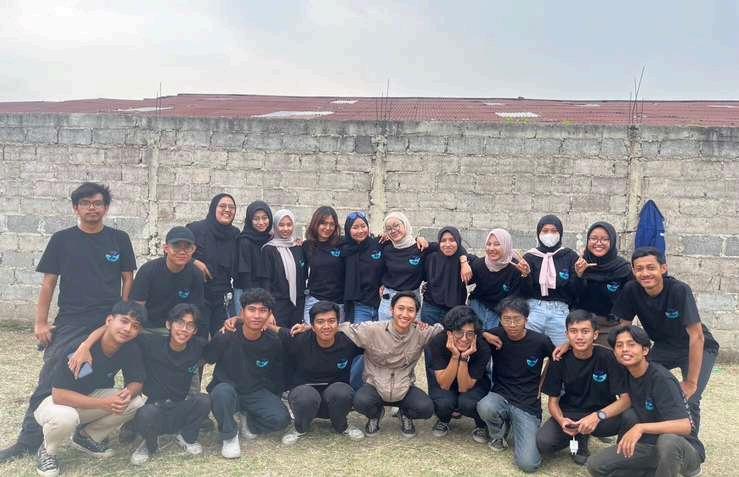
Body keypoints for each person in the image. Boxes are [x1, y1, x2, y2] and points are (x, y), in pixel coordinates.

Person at [0, 182, 137, 462]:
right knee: (53, 374)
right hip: (71, 320)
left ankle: (88, 433)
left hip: (107, 318)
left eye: (97, 203)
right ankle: (28, 441)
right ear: (76, 208)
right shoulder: (62, 240)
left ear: (106, 208)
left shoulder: (119, 239)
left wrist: (122, 315)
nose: (92, 208)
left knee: (102, 373)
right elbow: (49, 283)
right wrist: (40, 323)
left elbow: (128, 278)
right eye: (85, 203)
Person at [67, 303, 210, 465]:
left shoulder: (198, 346)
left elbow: (218, 345)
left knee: (204, 400)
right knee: (146, 412)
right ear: (168, 324)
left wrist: (232, 323)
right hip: (152, 408)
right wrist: (86, 344)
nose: (184, 329)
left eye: (190, 326)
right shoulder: (150, 342)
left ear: (195, 330)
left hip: (179, 405)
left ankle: (186, 437)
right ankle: (149, 444)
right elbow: (114, 329)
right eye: (179, 323)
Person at [610, 247, 719, 432]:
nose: (645, 273)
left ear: (663, 268)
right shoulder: (631, 290)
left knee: (690, 397)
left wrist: (691, 383)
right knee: (642, 384)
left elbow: (697, 336)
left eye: (651, 267)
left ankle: (690, 444)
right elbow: (623, 329)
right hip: (663, 346)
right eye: (639, 269)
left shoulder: (679, 290)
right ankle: (648, 432)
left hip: (697, 346)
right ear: (634, 271)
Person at [33, 301, 147, 477]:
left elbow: (136, 381)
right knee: (66, 418)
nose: (127, 329)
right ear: (109, 320)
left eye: (135, 326)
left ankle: (86, 437)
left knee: (136, 402)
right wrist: (104, 403)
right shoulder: (78, 349)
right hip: (54, 404)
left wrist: (128, 393)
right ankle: (48, 451)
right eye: (124, 321)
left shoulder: (130, 348)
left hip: (87, 399)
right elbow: (59, 395)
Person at [586, 325, 704, 477]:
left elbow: (685, 426)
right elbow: (592, 348)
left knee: (668, 441)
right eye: (619, 345)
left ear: (645, 350)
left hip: (683, 448)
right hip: (651, 447)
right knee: (596, 465)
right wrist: (567, 345)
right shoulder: (626, 371)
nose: (625, 349)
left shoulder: (661, 379)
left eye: (631, 344)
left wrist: (640, 428)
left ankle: (685, 470)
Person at [339, 291, 442, 437]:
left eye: (410, 310)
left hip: (404, 388)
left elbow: (444, 330)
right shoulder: (373, 330)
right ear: (391, 310)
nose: (405, 314)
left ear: (416, 314)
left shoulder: (421, 332)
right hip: (375, 386)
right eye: (400, 308)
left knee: (426, 408)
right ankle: (375, 414)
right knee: (360, 401)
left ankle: (405, 414)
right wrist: (312, 328)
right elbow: (344, 329)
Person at [204, 288, 290, 459]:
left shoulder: (273, 341)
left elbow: (276, 376)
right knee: (221, 393)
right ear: (242, 312)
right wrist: (222, 330)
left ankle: (248, 421)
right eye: (251, 310)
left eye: (262, 310)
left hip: (254, 392)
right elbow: (209, 357)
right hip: (228, 390)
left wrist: (271, 401)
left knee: (281, 419)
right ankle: (229, 436)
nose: (257, 315)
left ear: (269, 314)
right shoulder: (227, 334)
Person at [536, 310, 631, 466]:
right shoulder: (559, 359)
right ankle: (580, 437)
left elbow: (625, 400)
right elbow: (552, 402)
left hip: (602, 414)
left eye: (585, 331)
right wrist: (561, 421)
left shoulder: (608, 357)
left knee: (631, 417)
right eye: (573, 331)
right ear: (567, 334)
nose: (579, 337)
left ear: (595, 334)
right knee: (543, 443)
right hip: (570, 413)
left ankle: (622, 457)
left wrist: (597, 416)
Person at [477, 296, 555, 473]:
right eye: (507, 319)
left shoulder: (540, 341)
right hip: (500, 394)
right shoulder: (495, 335)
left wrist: (542, 383)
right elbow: (471, 331)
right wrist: (483, 333)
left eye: (517, 319)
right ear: (500, 320)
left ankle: (519, 424)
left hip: (527, 403)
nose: (512, 324)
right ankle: (499, 434)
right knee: (485, 406)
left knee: (529, 464)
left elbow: (556, 358)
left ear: (526, 319)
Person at [277, 301, 365, 444]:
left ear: (338, 323)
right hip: (306, 400)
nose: (326, 326)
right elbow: (274, 330)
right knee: (305, 396)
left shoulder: (348, 342)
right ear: (312, 325)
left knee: (342, 391)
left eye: (331, 321)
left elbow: (374, 338)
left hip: (334, 401)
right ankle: (300, 428)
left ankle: (342, 425)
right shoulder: (300, 339)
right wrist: (244, 320)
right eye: (320, 322)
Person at [427, 306, 491, 443]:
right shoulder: (438, 341)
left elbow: (464, 387)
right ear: (449, 332)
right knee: (443, 402)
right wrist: (455, 356)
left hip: (472, 385)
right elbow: (444, 384)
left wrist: (463, 358)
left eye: (470, 333)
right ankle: (444, 419)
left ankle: (481, 424)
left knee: (467, 403)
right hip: (446, 383)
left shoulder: (482, 347)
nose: (464, 338)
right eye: (459, 332)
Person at [131, 226, 205, 337]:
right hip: (150, 328)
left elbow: (195, 310)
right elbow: (138, 307)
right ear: (166, 248)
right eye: (176, 247)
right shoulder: (148, 270)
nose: (182, 252)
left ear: (193, 250)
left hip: (179, 329)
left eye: (187, 248)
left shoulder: (196, 274)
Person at [521, 214, 581, 346]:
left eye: (554, 231)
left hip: (560, 312)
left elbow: (575, 291)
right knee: (530, 350)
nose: (549, 234)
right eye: (545, 231)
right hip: (534, 310)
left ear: (560, 233)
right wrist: (525, 276)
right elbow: (524, 292)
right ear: (538, 233)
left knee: (560, 351)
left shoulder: (570, 256)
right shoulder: (530, 257)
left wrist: (579, 275)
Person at [187, 193, 240, 336]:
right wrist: (193, 261)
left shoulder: (235, 234)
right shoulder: (195, 229)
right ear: (213, 208)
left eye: (231, 207)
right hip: (198, 294)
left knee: (224, 338)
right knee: (198, 338)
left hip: (223, 297)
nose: (227, 210)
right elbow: (172, 251)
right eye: (222, 206)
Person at [377, 212, 444, 321]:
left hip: (412, 299)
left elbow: (446, 247)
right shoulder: (386, 248)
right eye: (388, 228)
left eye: (396, 225)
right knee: (385, 330)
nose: (393, 230)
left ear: (405, 224)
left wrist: (463, 260)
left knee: (412, 331)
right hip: (389, 299)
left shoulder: (420, 247)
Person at [574, 221, 632, 346]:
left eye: (605, 239)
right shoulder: (579, 264)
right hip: (580, 326)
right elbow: (571, 296)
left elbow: (630, 302)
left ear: (612, 241)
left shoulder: (623, 268)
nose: (598, 243)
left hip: (609, 328)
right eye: (594, 238)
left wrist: (623, 331)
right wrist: (579, 275)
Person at [468, 228, 525, 330]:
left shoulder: (516, 268)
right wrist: (463, 261)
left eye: (497, 244)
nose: (491, 248)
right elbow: (465, 280)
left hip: (500, 312)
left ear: (506, 245)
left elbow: (518, 297)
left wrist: (526, 275)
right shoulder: (480, 264)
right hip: (478, 307)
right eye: (488, 244)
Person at [260, 209, 307, 328]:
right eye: (281, 225)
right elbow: (266, 282)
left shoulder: (298, 247)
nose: (286, 229)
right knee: (279, 336)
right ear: (275, 226)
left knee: (296, 336)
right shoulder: (268, 250)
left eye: (289, 225)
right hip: (278, 305)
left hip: (298, 305)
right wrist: (268, 310)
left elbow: (304, 275)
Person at [302, 206, 345, 323]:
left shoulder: (342, 243)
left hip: (338, 304)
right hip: (314, 301)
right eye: (323, 223)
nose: (328, 228)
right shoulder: (307, 246)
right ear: (316, 223)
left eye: (332, 224)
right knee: (311, 333)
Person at [420, 226, 470, 326]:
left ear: (458, 241)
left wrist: (464, 261)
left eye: (452, 240)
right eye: (443, 240)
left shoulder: (466, 261)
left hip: (455, 311)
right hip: (430, 308)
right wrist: (418, 238)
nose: (447, 244)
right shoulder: (431, 257)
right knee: (428, 335)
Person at [342, 211, 384, 324]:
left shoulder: (378, 244)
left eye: (363, 226)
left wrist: (418, 239)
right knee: (360, 335)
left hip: (381, 304)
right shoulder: (343, 248)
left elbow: (401, 243)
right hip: (359, 306)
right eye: (355, 227)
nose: (360, 231)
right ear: (348, 229)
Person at [233, 201, 273, 315]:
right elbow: (244, 274)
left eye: (264, 218)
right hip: (246, 293)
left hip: (264, 292)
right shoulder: (244, 241)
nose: (261, 222)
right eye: (256, 219)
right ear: (250, 220)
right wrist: (251, 301)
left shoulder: (270, 239)